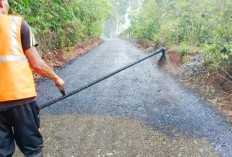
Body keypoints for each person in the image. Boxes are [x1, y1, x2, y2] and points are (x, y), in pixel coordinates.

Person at [0, 0, 65, 156]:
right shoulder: (16, 24)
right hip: (20, 97)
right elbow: (36, 63)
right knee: (33, 149)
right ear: (2, 3)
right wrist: (56, 78)